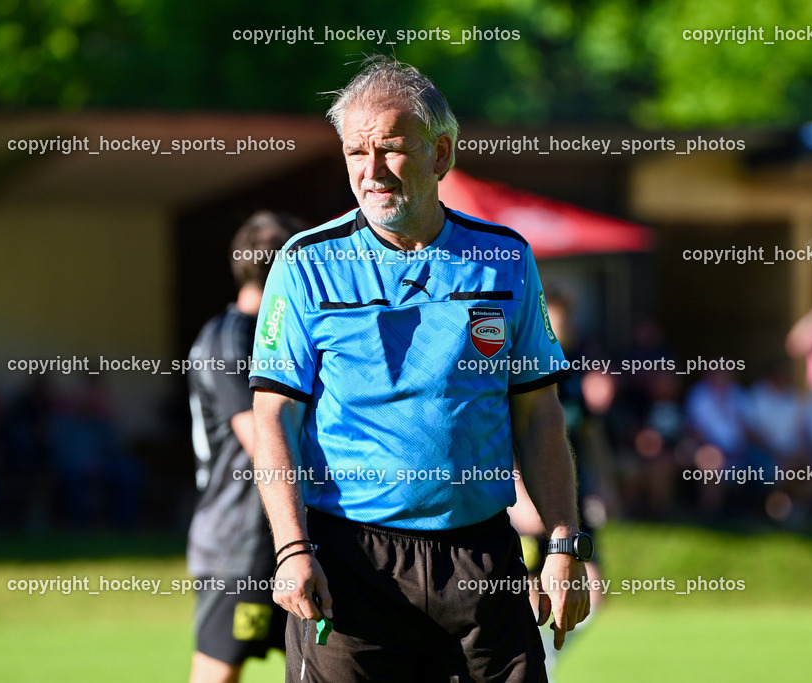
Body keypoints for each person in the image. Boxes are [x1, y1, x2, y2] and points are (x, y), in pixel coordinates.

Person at [248, 56, 591, 682]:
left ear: (441, 155)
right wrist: (291, 548)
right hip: (350, 562)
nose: (371, 172)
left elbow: (538, 414)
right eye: (356, 152)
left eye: (391, 150)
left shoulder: (504, 259)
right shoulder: (305, 264)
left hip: (482, 557)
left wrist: (564, 544)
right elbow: (273, 416)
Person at [186, 212, 299, 683]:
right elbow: (260, 437)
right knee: (219, 670)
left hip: (283, 535)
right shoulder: (233, 338)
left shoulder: (272, 333)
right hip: (241, 541)